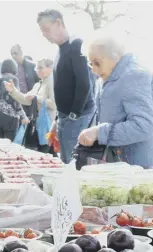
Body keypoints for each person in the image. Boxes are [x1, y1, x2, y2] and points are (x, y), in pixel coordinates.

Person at [77, 34, 153, 171]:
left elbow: (143, 127)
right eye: (91, 64)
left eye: (97, 63)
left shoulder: (133, 76)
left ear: (114, 56)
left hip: (139, 167)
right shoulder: (108, 78)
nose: (94, 70)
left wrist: (98, 132)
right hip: (123, 164)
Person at [37, 9, 96, 163]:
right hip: (65, 118)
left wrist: (74, 115)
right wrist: (57, 121)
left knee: (74, 165)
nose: (44, 34)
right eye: (42, 31)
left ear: (58, 23)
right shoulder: (59, 51)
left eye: (47, 29)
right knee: (65, 162)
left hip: (78, 118)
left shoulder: (76, 44)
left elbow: (84, 83)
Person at [5, 58, 57, 153]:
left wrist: (37, 98)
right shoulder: (38, 84)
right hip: (38, 127)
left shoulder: (52, 82)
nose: (38, 70)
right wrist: (13, 90)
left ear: (50, 68)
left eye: (41, 67)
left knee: (46, 155)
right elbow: (26, 99)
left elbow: (54, 104)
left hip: (47, 127)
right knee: (44, 156)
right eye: (37, 68)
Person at [0, 59, 29, 141]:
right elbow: (16, 100)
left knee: (1, 144)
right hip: (10, 118)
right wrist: (23, 116)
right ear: (14, 68)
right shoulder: (13, 79)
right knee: (10, 146)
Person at [10, 45, 40, 116]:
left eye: (15, 53)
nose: (13, 56)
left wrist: (34, 94)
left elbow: (39, 82)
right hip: (18, 103)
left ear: (21, 52)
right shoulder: (12, 69)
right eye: (12, 54)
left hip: (31, 102)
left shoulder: (32, 66)